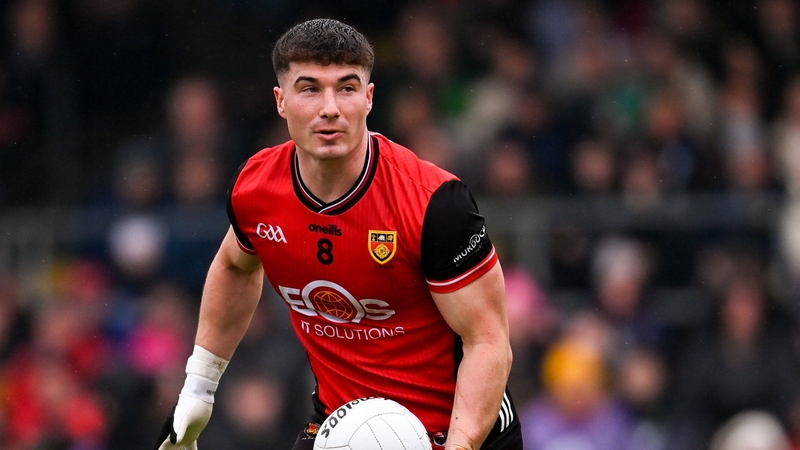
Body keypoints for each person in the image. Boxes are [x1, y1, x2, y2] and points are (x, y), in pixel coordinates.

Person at [153, 18, 521, 450]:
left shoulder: (435, 204)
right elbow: (235, 264)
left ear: (368, 98)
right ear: (281, 101)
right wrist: (199, 386)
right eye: (310, 88)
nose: (330, 107)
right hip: (340, 427)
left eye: (346, 88)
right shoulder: (255, 188)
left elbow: (489, 342)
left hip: (457, 432)